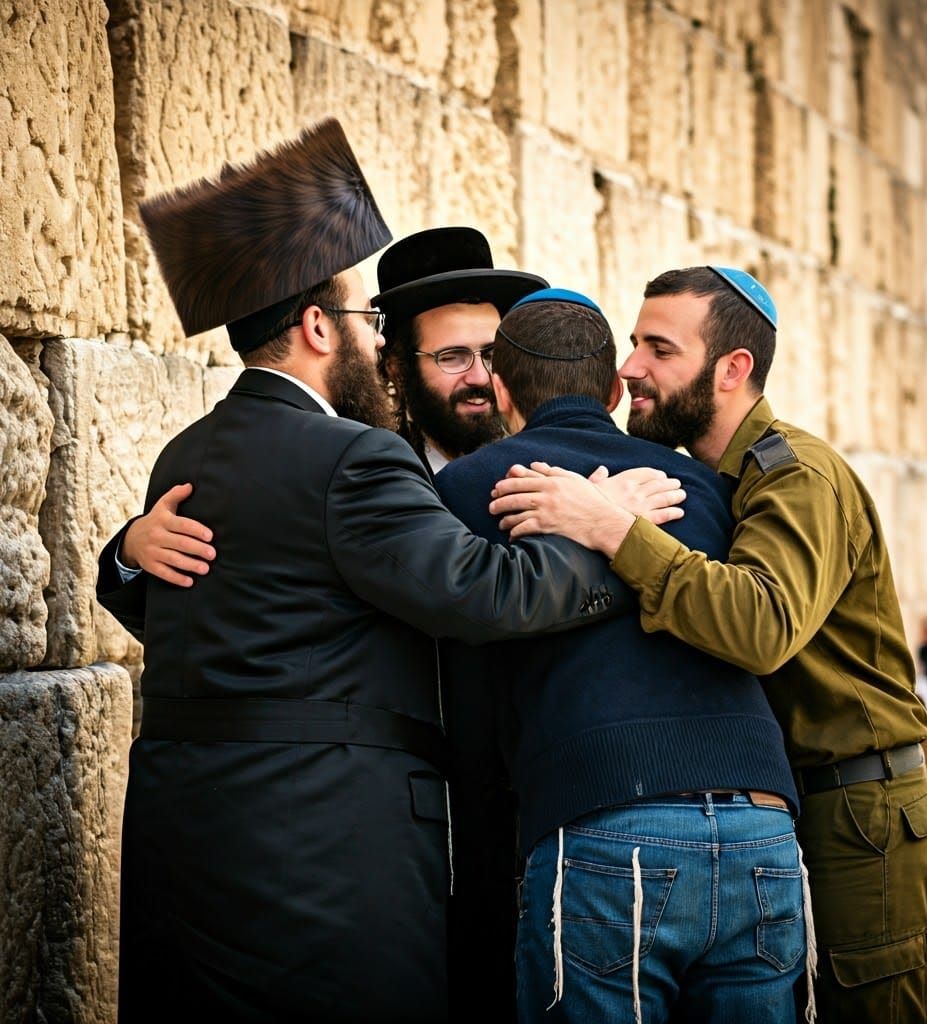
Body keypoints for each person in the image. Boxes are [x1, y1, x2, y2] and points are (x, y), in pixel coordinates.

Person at [94, 119, 663, 1023]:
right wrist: (617, 535)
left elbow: (255, 601)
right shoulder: (356, 457)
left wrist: (123, 558)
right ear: (328, 329)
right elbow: (481, 592)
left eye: (494, 355)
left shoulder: (189, 451)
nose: (479, 376)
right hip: (330, 849)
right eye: (368, 323)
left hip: (227, 837)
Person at [488, 266, 927, 1023]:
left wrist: (608, 527)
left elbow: (760, 627)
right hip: (797, 805)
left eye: (659, 349)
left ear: (732, 370)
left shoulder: (796, 476)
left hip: (857, 809)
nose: (629, 368)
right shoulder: (708, 482)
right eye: (632, 343)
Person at [436, 288, 806, 1024]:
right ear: (612, 390)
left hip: (611, 823)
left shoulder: (471, 487)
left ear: (499, 388)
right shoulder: (701, 483)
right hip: (762, 821)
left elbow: (463, 686)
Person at [373, 225, 547, 474]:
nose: (480, 377)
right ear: (398, 370)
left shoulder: (542, 468)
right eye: (452, 357)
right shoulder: (379, 479)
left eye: (491, 355)